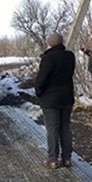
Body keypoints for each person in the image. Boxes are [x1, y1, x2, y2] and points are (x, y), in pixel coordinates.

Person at [35, 33, 75, 169]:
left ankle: (52, 159)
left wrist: (39, 92)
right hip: (67, 98)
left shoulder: (48, 58)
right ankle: (67, 158)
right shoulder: (70, 56)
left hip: (50, 100)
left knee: (52, 129)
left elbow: (41, 79)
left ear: (49, 44)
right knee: (65, 127)